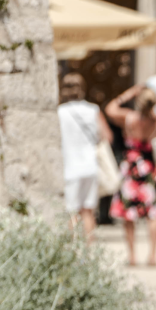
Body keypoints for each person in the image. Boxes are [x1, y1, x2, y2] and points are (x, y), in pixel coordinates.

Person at [105, 85, 156, 267]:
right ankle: (153, 255)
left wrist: (128, 93)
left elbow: (110, 109)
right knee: (153, 213)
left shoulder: (129, 118)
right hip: (150, 167)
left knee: (129, 213)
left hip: (132, 167)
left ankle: (132, 256)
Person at [57, 72, 112, 241]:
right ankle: (89, 253)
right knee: (88, 211)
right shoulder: (93, 110)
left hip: (69, 167)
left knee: (71, 211)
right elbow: (107, 137)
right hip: (90, 166)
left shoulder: (59, 112)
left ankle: (74, 253)